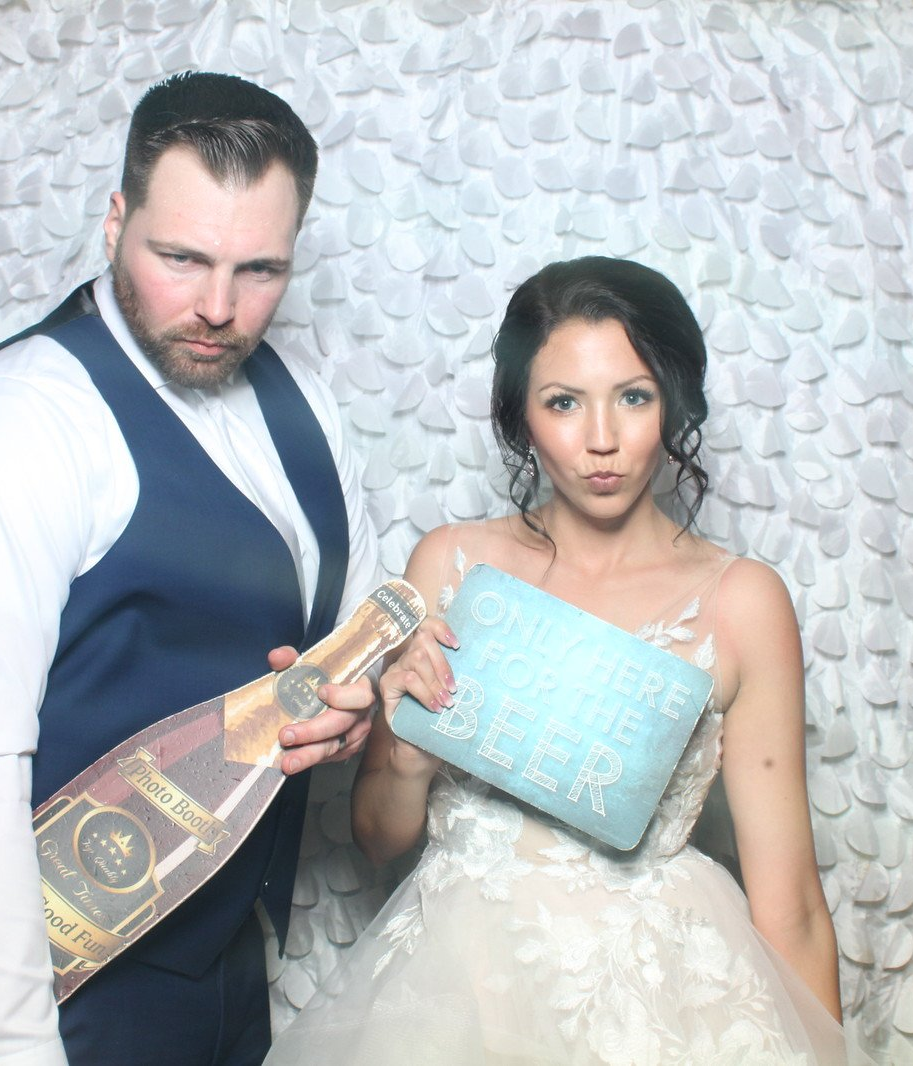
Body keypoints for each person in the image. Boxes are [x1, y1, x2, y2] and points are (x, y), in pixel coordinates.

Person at [0, 72, 379, 1066]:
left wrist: (353, 710)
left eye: (259, 270)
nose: (217, 307)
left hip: (226, 973)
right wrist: (14, 1047)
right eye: (179, 257)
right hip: (45, 990)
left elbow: (347, 635)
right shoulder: (17, 418)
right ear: (114, 220)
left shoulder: (305, 407)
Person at [263, 256, 875, 1065]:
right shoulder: (450, 566)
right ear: (519, 416)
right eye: (562, 402)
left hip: (658, 1004)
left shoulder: (740, 600)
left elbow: (788, 902)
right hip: (456, 991)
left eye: (633, 396)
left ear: (675, 402)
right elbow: (376, 837)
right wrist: (407, 750)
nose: (600, 440)